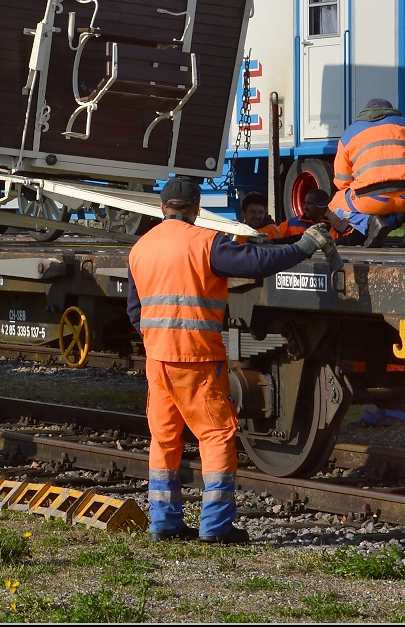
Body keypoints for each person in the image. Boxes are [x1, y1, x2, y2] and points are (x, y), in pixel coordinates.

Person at [127, 176, 338, 545]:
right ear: (195, 209)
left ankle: (163, 522)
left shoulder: (140, 248)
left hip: (157, 358)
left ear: (162, 208)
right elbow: (257, 262)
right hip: (197, 357)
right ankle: (216, 526)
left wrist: (157, 338)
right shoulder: (205, 242)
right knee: (216, 435)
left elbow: (135, 310)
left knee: (163, 438)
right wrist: (304, 245)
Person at [329, 98, 405, 248]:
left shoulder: (349, 133)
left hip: (371, 200)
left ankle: (370, 222)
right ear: (391, 111)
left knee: (334, 204)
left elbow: (342, 181)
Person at [274, 188, 364, 246]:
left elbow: (351, 239)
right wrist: (272, 242)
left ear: (342, 212)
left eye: (329, 210)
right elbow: (303, 238)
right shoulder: (329, 229)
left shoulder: (362, 231)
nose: (326, 214)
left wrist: (328, 244)